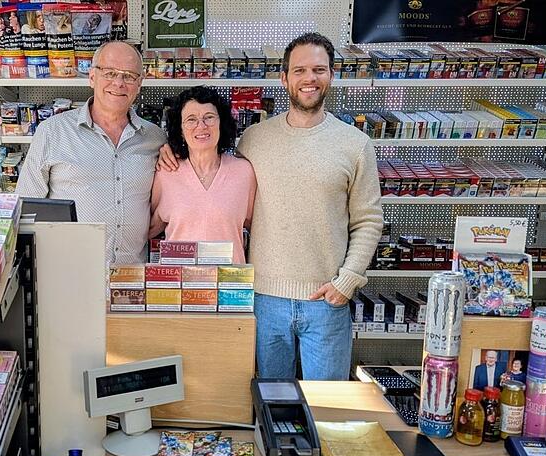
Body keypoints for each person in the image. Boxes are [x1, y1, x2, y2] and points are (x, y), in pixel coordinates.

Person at [157, 33, 383, 380]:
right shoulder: (255, 139)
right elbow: (212, 176)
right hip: (262, 300)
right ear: (284, 78)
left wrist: (348, 280)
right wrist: (170, 149)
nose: (309, 79)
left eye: (319, 69)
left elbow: (368, 220)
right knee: (271, 401)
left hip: (326, 301)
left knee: (327, 404)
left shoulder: (355, 144)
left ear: (331, 75)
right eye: (300, 70)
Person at [15, 41, 166, 265]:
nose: (118, 83)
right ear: (92, 77)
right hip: (70, 271)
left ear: (139, 84)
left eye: (129, 76)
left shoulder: (155, 138)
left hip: (132, 272)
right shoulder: (53, 132)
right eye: (110, 73)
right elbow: (25, 209)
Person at [150, 86, 256, 264]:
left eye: (209, 117)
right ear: (180, 129)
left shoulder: (244, 172)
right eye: (191, 119)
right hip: (179, 278)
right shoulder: (166, 173)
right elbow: (150, 228)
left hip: (230, 279)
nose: (201, 126)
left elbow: (257, 227)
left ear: (222, 123)